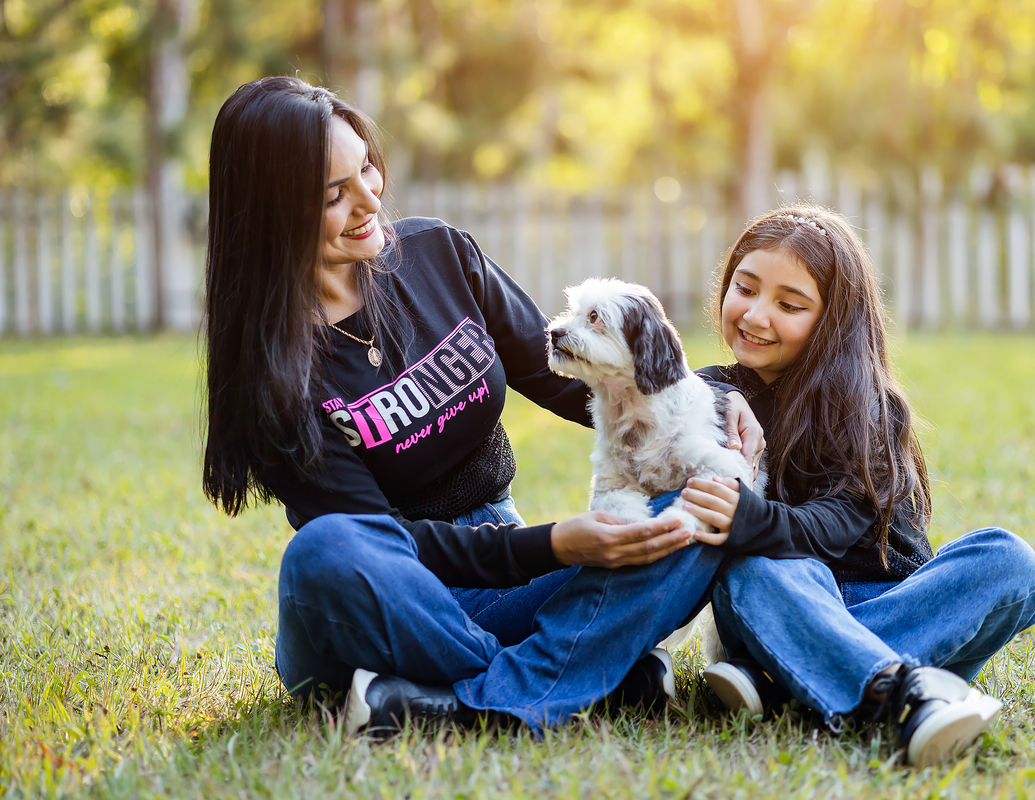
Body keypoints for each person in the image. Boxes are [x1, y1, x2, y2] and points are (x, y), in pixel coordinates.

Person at [201, 76, 763, 732]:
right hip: (390, 599)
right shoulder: (272, 372)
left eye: (366, 169)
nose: (369, 199)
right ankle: (562, 677)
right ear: (273, 211)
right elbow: (381, 543)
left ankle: (459, 702)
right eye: (334, 195)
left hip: (505, 568)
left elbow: (571, 376)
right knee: (322, 551)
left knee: (706, 503)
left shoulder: (440, 256)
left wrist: (719, 396)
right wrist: (553, 545)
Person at [678, 205, 1035, 767]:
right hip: (785, 601)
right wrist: (721, 401)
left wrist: (755, 519)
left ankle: (789, 682)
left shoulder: (866, 406)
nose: (755, 315)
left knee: (1010, 561)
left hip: (892, 600)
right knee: (751, 568)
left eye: (789, 304)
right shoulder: (710, 394)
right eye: (744, 288)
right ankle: (908, 694)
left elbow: (841, 519)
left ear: (832, 319)